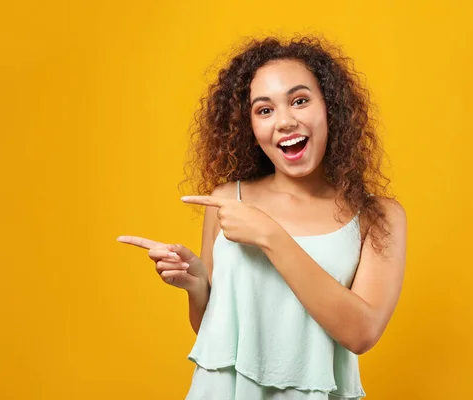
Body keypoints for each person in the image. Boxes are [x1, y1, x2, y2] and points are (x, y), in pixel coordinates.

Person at [117, 35, 407, 399]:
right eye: (264, 110)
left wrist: (271, 236)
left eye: (300, 101)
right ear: (249, 127)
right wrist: (196, 285)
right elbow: (213, 332)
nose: (284, 121)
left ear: (329, 107)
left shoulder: (378, 216)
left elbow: (362, 333)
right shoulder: (226, 201)